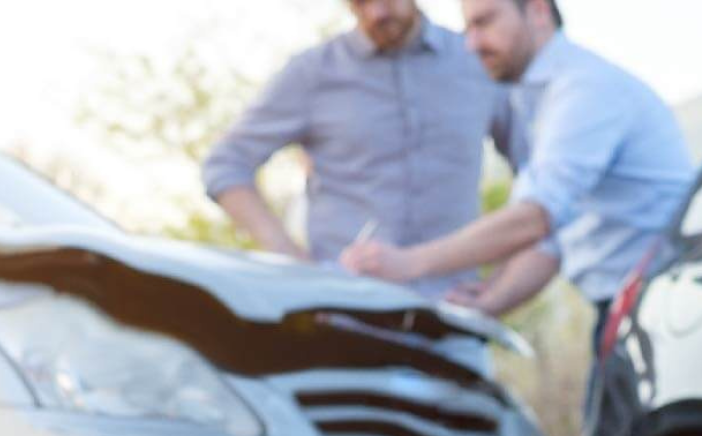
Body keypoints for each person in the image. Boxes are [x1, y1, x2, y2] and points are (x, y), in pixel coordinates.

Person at [342, 0, 692, 347]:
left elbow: (533, 219)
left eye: (485, 23)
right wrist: (490, 299)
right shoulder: (541, 98)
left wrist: (407, 262)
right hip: (628, 309)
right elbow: (552, 240)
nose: (472, 43)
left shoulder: (585, 90)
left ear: (538, 11)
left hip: (666, 310)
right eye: (468, 29)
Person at [202, 0, 526, 303]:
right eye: (359, 2)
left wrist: (502, 284)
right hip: (344, 312)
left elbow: (540, 178)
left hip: (454, 313)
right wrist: (294, 264)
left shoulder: (477, 63)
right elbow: (226, 164)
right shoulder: (313, 72)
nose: (376, 14)